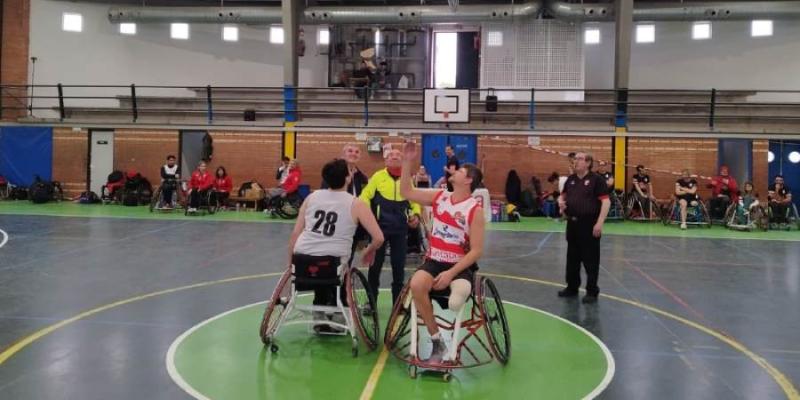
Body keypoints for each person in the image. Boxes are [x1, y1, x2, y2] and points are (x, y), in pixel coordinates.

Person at [399, 140, 485, 362]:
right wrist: (406, 162)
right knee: (417, 285)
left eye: (460, 171)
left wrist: (450, 273)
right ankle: (437, 340)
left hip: (459, 265)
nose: (453, 171)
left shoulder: (474, 210)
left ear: (468, 180)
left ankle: (458, 289)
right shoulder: (440, 196)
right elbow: (406, 191)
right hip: (435, 261)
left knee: (456, 301)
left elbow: (476, 251)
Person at [288, 159, 385, 333]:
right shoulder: (356, 203)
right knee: (337, 269)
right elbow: (378, 238)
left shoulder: (311, 197)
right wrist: (368, 251)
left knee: (318, 266)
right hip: (333, 263)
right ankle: (339, 314)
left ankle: (319, 314)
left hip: (302, 259)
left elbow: (295, 234)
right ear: (348, 178)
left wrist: (291, 263)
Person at [360, 147, 422, 304]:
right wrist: (367, 216)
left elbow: (414, 201)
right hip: (379, 230)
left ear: (403, 160)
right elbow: (364, 196)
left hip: (400, 230)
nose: (394, 156)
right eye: (391, 155)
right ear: (385, 161)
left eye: (398, 155)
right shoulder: (378, 176)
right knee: (375, 267)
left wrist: (416, 215)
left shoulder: (407, 178)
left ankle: (397, 302)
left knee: (398, 266)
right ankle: (371, 301)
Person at [557, 152, 610, 304]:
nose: (575, 161)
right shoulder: (571, 180)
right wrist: (560, 202)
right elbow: (562, 196)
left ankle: (592, 291)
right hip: (572, 224)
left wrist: (599, 222)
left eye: (579, 159)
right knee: (572, 259)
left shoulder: (597, 180)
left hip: (589, 224)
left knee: (590, 260)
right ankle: (572, 287)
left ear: (588, 163)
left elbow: (606, 202)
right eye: (574, 159)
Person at [322, 144, 370, 266]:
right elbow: (325, 194)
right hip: (335, 221)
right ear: (343, 154)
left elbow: (365, 199)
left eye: (357, 152)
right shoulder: (334, 172)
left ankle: (344, 276)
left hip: (353, 224)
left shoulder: (362, 178)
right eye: (350, 151)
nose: (354, 153)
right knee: (331, 258)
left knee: (348, 257)